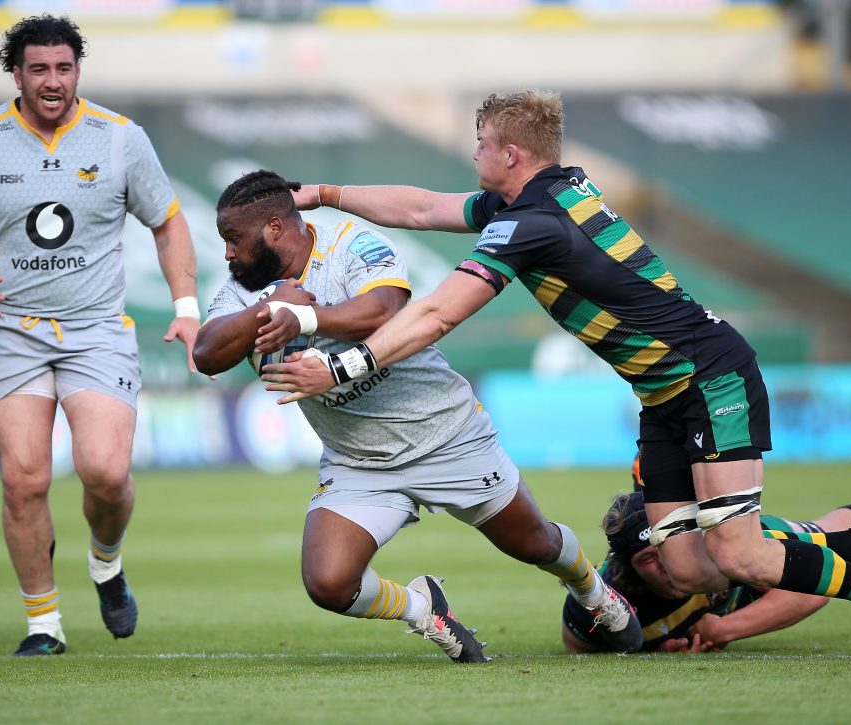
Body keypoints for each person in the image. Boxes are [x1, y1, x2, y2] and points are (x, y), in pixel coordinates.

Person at [278, 89, 851, 661]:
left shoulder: (533, 223)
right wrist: (327, 195)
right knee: (685, 568)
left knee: (738, 556)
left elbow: (437, 314)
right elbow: (423, 210)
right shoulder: (553, 192)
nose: (473, 155)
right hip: (663, 395)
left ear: (511, 153)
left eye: (480, 144)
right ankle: (843, 549)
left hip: (709, 376)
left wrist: (345, 365)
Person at [192, 169, 641, 663]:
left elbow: (387, 309)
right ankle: (423, 609)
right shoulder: (243, 291)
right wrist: (273, 307)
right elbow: (208, 353)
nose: (229, 253)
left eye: (234, 239)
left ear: (274, 228)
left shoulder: (348, 242)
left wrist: (305, 317)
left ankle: (593, 591)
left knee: (535, 543)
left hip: (446, 435)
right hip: (358, 461)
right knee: (328, 582)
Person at [0, 15, 201, 657]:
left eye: (64, 68)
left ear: (78, 70)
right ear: (16, 74)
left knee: (104, 472)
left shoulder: (119, 139)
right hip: (7, 331)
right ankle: (43, 624)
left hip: (97, 329)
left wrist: (185, 306)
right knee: (23, 479)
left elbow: (167, 222)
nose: (53, 82)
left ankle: (106, 561)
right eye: (38, 69)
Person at [563, 464, 851, 653]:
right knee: (828, 534)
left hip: (740, 544)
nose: (664, 562)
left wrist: (724, 628)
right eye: (648, 558)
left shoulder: (715, 540)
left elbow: (811, 596)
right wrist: (648, 646)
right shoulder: (606, 594)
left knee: (815, 538)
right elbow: (577, 641)